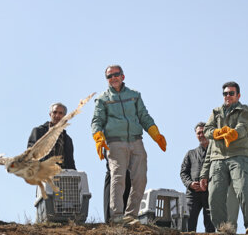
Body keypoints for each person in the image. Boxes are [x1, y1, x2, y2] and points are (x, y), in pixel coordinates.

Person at [91, 64, 166, 224]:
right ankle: (117, 216)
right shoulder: (102, 99)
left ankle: (131, 216)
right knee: (118, 178)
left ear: (123, 76)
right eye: (109, 76)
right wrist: (98, 137)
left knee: (140, 179)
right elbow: (97, 120)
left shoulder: (134, 95)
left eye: (116, 74)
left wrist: (155, 134)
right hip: (115, 143)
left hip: (136, 141)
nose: (113, 78)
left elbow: (144, 116)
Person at [199, 81, 248, 234]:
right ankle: (223, 229)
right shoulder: (216, 112)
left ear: (238, 95)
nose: (228, 96)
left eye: (231, 93)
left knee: (244, 190)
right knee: (214, 195)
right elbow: (208, 130)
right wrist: (220, 133)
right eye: (225, 93)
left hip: (238, 156)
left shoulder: (244, 110)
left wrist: (231, 134)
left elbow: (243, 127)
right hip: (218, 158)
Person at [180, 122, 215, 233]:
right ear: (196, 135)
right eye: (199, 133)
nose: (201, 135)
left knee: (211, 224)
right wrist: (190, 183)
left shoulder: (216, 152)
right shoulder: (190, 154)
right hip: (192, 194)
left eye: (203, 132)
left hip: (210, 192)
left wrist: (207, 184)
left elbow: (220, 172)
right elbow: (183, 173)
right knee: (188, 223)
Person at [27, 102, 76, 170]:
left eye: (60, 113)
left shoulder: (67, 140)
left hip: (61, 176)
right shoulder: (38, 131)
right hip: (41, 172)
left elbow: (70, 162)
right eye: (54, 112)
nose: (57, 115)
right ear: (50, 114)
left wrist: (74, 174)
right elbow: (30, 155)